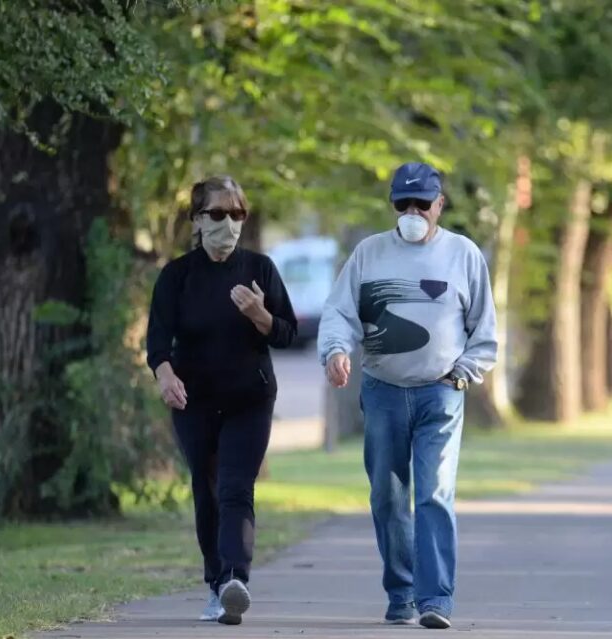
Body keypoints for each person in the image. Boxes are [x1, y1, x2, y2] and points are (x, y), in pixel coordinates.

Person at [317, 162, 497, 629]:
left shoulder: (463, 254)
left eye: (422, 203)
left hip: (441, 393)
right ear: (393, 205)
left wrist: (462, 375)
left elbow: (485, 330)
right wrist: (336, 350)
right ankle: (401, 593)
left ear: (440, 204)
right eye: (403, 203)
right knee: (387, 495)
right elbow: (338, 312)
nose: (413, 211)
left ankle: (435, 598)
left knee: (434, 492)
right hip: (383, 392)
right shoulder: (369, 253)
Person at [146, 176, 297, 625]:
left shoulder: (261, 269)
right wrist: (165, 375)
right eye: (217, 214)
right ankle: (215, 582)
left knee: (235, 487)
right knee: (206, 490)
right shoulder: (177, 275)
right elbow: (157, 343)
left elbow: (289, 333)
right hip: (194, 400)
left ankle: (235, 580)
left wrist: (260, 315)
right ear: (197, 220)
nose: (228, 223)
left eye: (237, 214)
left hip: (249, 399)